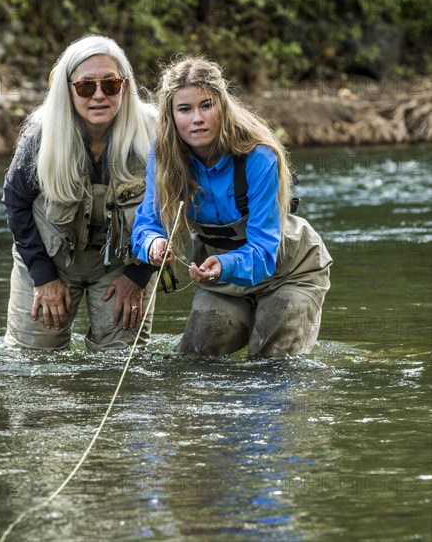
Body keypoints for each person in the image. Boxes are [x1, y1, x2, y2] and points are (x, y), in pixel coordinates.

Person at [132, 57, 332, 356]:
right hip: (222, 278)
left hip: (288, 271)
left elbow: (264, 251)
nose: (197, 118)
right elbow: (147, 223)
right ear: (171, 116)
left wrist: (222, 265)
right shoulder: (164, 155)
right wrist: (153, 244)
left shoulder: (259, 156)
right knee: (197, 357)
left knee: (271, 365)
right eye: (185, 109)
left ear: (222, 107)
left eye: (206, 105)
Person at [2, 35, 158, 351]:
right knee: (35, 363)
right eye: (86, 86)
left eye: (111, 85)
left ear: (125, 86)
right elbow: (15, 202)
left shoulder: (153, 132)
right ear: (68, 89)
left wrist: (138, 277)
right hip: (48, 257)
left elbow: (172, 207)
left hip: (122, 263)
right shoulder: (41, 135)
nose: (99, 95)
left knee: (120, 361)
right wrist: (43, 277)